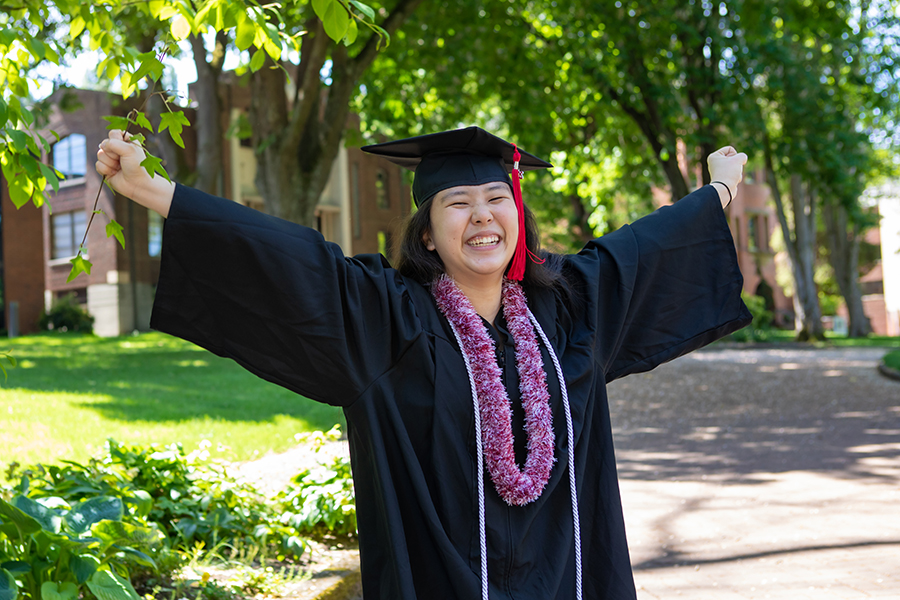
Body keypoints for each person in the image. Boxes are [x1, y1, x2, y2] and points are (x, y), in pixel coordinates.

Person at [96, 126, 751, 600]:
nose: (482, 215)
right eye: (456, 203)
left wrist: (720, 191)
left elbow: (644, 251)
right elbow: (296, 266)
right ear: (428, 234)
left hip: (570, 580)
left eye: (496, 197)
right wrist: (156, 192)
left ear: (517, 214)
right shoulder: (390, 320)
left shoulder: (570, 310)